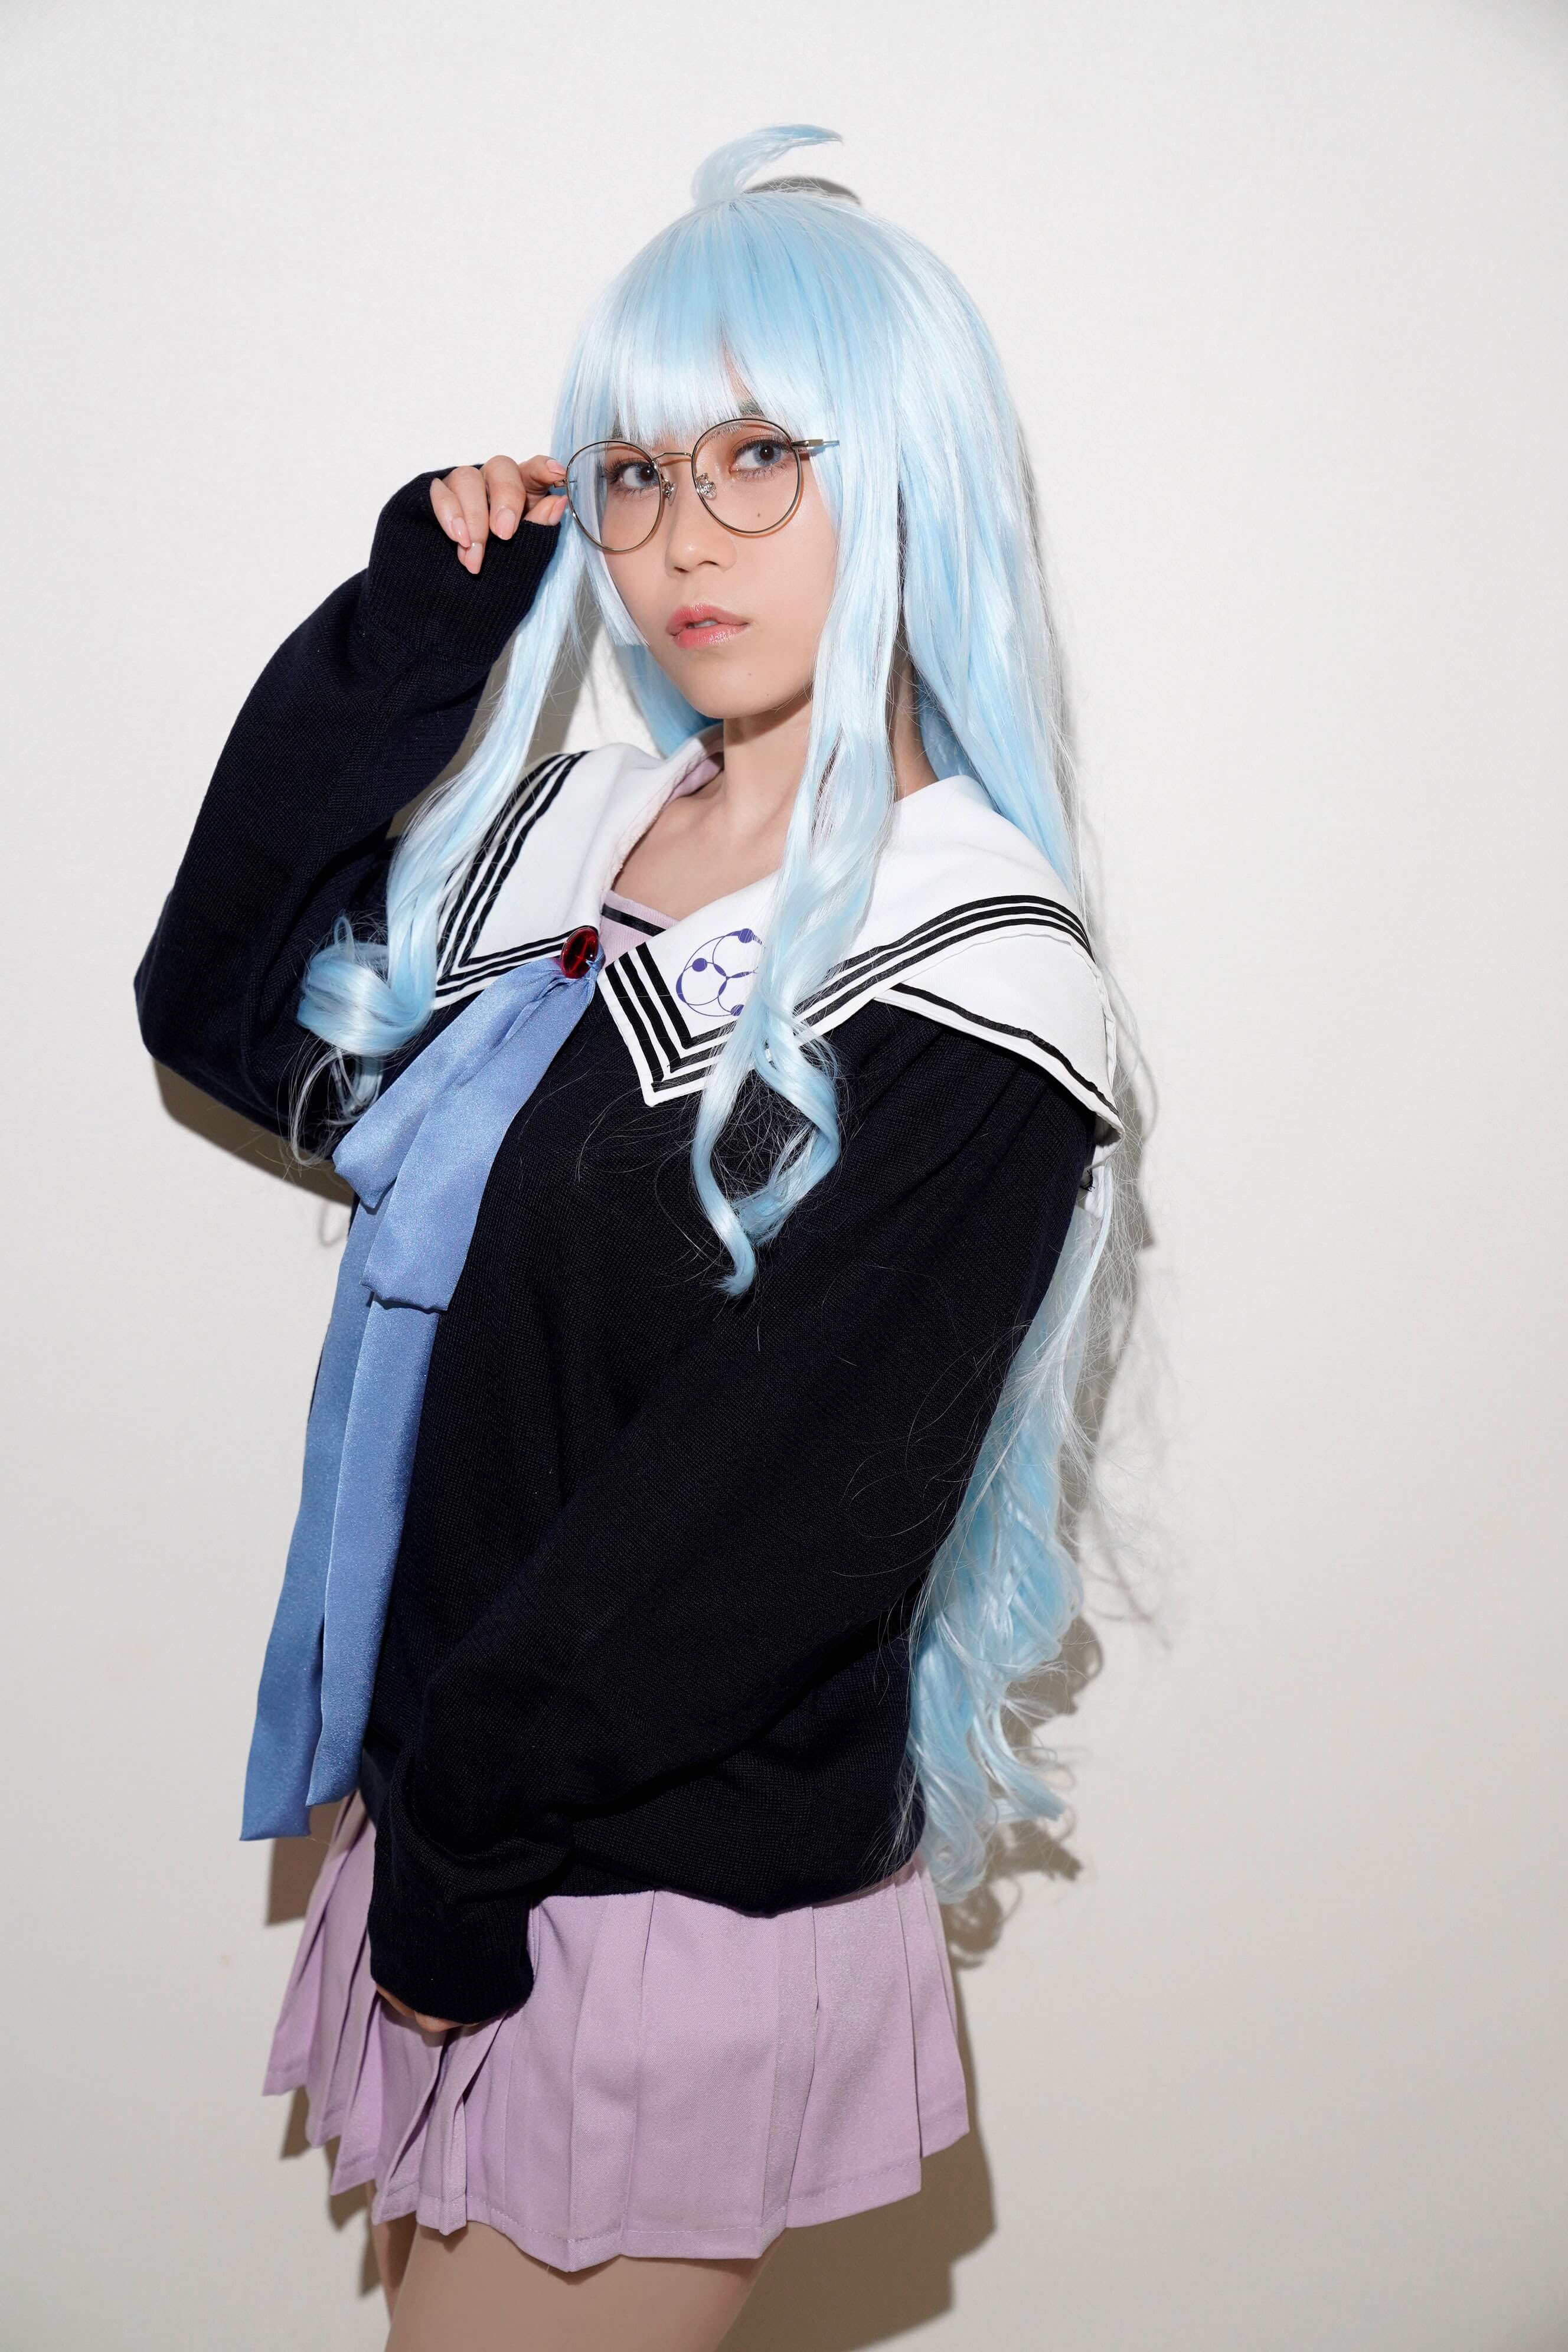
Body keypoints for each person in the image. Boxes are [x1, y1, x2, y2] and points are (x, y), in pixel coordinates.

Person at [135, 124, 1129, 2352]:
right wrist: (414, 637)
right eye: (636, 473)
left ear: (907, 474)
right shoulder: (578, 835)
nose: (687, 537)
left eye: (763, 456)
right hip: (471, 1828)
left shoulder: (975, 963)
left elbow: (756, 1526)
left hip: (637, 1879)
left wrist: (465, 1869)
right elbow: (220, 1011)